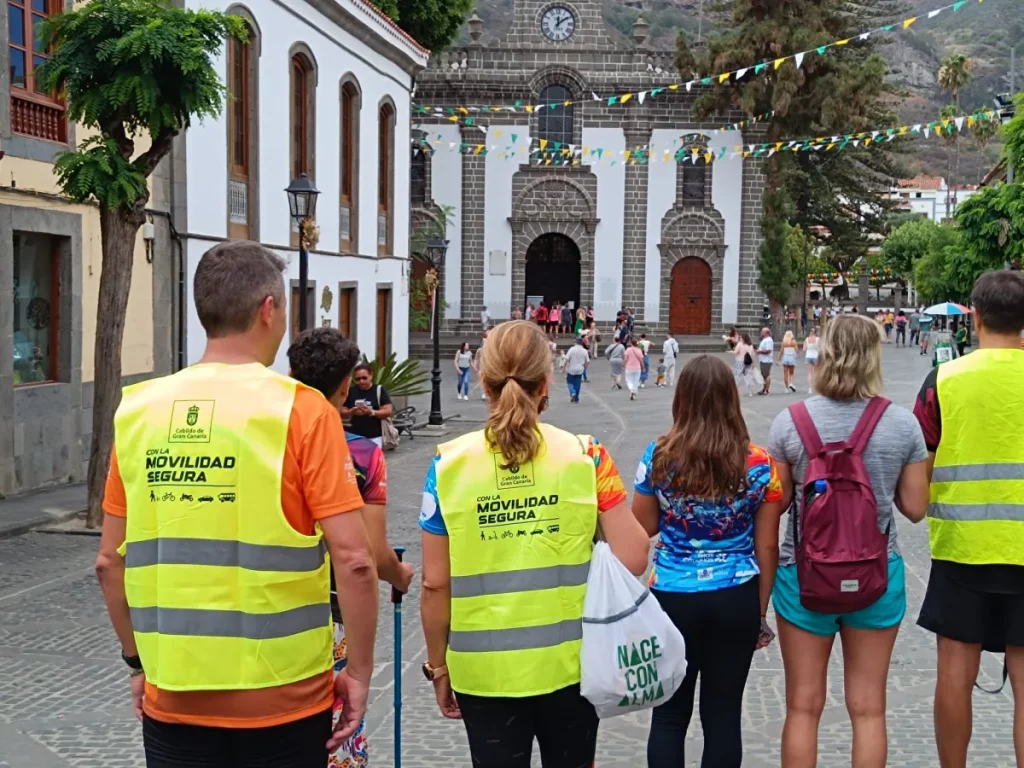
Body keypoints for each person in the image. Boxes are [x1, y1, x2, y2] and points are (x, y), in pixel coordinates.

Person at [94, 241, 379, 767]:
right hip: (284, 698)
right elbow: (356, 560)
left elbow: (110, 562)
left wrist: (136, 663)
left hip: (174, 694)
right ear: (268, 309)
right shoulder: (302, 411)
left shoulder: (137, 412)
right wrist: (358, 672)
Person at [418, 320, 650, 767]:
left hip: (483, 672)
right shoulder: (588, 457)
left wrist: (438, 666)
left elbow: (434, 584)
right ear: (547, 382)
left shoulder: (445, 468)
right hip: (572, 666)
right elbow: (635, 556)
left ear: (484, 384)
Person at [767, 314, 930, 768]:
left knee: (803, 705)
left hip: (803, 577)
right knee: (869, 707)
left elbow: (776, 504)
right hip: (875, 575)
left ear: (826, 353)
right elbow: (916, 508)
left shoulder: (790, 422)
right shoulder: (901, 425)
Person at [633, 355, 785, 767]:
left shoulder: (659, 456)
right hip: (735, 596)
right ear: (731, 400)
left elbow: (642, 527)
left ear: (680, 400)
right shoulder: (759, 463)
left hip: (671, 596)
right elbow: (767, 547)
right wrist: (759, 610)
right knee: (722, 717)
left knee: (667, 716)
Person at [287, 327, 415, 768]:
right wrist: (401, 575)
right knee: (337, 742)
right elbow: (372, 554)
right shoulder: (362, 454)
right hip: (337, 619)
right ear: (345, 385)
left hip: (278, 608)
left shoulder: (270, 441)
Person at [912, 271, 1024, 768]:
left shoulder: (944, 380)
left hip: (962, 549)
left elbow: (921, 466)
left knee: (954, 676)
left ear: (974, 318)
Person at [340, 364, 393, 448]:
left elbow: (388, 411)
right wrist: (351, 412)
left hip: (374, 436)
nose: (361, 381)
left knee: (374, 460)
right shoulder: (351, 390)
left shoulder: (379, 390)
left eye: (364, 378)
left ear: (371, 375)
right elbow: (341, 410)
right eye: (358, 379)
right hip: (353, 436)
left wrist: (371, 412)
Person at [564, 336, 590, 404]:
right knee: (578, 384)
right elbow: (587, 361)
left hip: (571, 368)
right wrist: (584, 367)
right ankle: (576, 398)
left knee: (570, 382)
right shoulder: (584, 351)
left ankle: (572, 392)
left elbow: (566, 359)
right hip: (580, 369)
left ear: (576, 342)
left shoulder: (571, 349)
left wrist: (564, 368)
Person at [757, 328, 775, 396]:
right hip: (763, 359)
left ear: (766, 332)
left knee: (766, 375)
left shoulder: (769, 340)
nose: (761, 332)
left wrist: (760, 351)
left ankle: (767, 390)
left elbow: (768, 350)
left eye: (762, 331)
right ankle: (764, 389)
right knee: (763, 375)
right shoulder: (764, 339)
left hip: (767, 360)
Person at [803, 327, 820, 394]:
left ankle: (810, 388)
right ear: (816, 332)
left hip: (808, 356)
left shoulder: (807, 339)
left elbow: (804, 349)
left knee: (809, 373)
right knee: (816, 372)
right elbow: (820, 348)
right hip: (815, 356)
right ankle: (816, 387)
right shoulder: (818, 339)